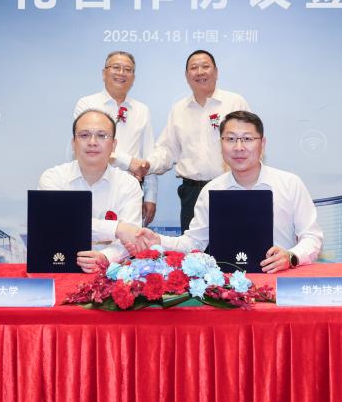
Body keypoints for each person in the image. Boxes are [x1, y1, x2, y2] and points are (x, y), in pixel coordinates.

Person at [141, 110, 323, 273]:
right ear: (221, 144)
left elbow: (312, 237)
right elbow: (194, 243)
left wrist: (291, 257)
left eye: (247, 139)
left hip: (281, 281)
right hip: (228, 289)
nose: (239, 147)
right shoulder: (211, 190)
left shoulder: (290, 184)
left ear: (263, 143)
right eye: (230, 139)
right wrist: (158, 240)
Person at [132, 50, 249, 231]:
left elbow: (250, 144)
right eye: (194, 68)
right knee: (193, 248)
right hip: (192, 194)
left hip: (231, 189)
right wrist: (148, 165)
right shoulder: (179, 109)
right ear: (187, 76)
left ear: (216, 72)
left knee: (234, 245)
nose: (200, 72)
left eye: (205, 66)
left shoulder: (234, 102)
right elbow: (167, 150)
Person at [38, 109, 154, 273]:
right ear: (73, 143)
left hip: (111, 271)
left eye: (101, 135)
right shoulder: (53, 178)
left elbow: (131, 239)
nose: (92, 142)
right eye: (84, 135)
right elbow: (57, 225)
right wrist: (117, 228)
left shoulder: (129, 184)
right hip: (59, 267)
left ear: (114, 145)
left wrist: (105, 257)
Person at [73, 51, 157, 226]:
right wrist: (129, 162)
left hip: (130, 188)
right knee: (89, 232)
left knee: (128, 237)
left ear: (133, 77)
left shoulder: (142, 110)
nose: (121, 73)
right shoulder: (87, 104)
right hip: (93, 182)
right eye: (116, 67)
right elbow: (88, 147)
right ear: (104, 73)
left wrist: (150, 196)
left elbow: (147, 155)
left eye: (127, 69)